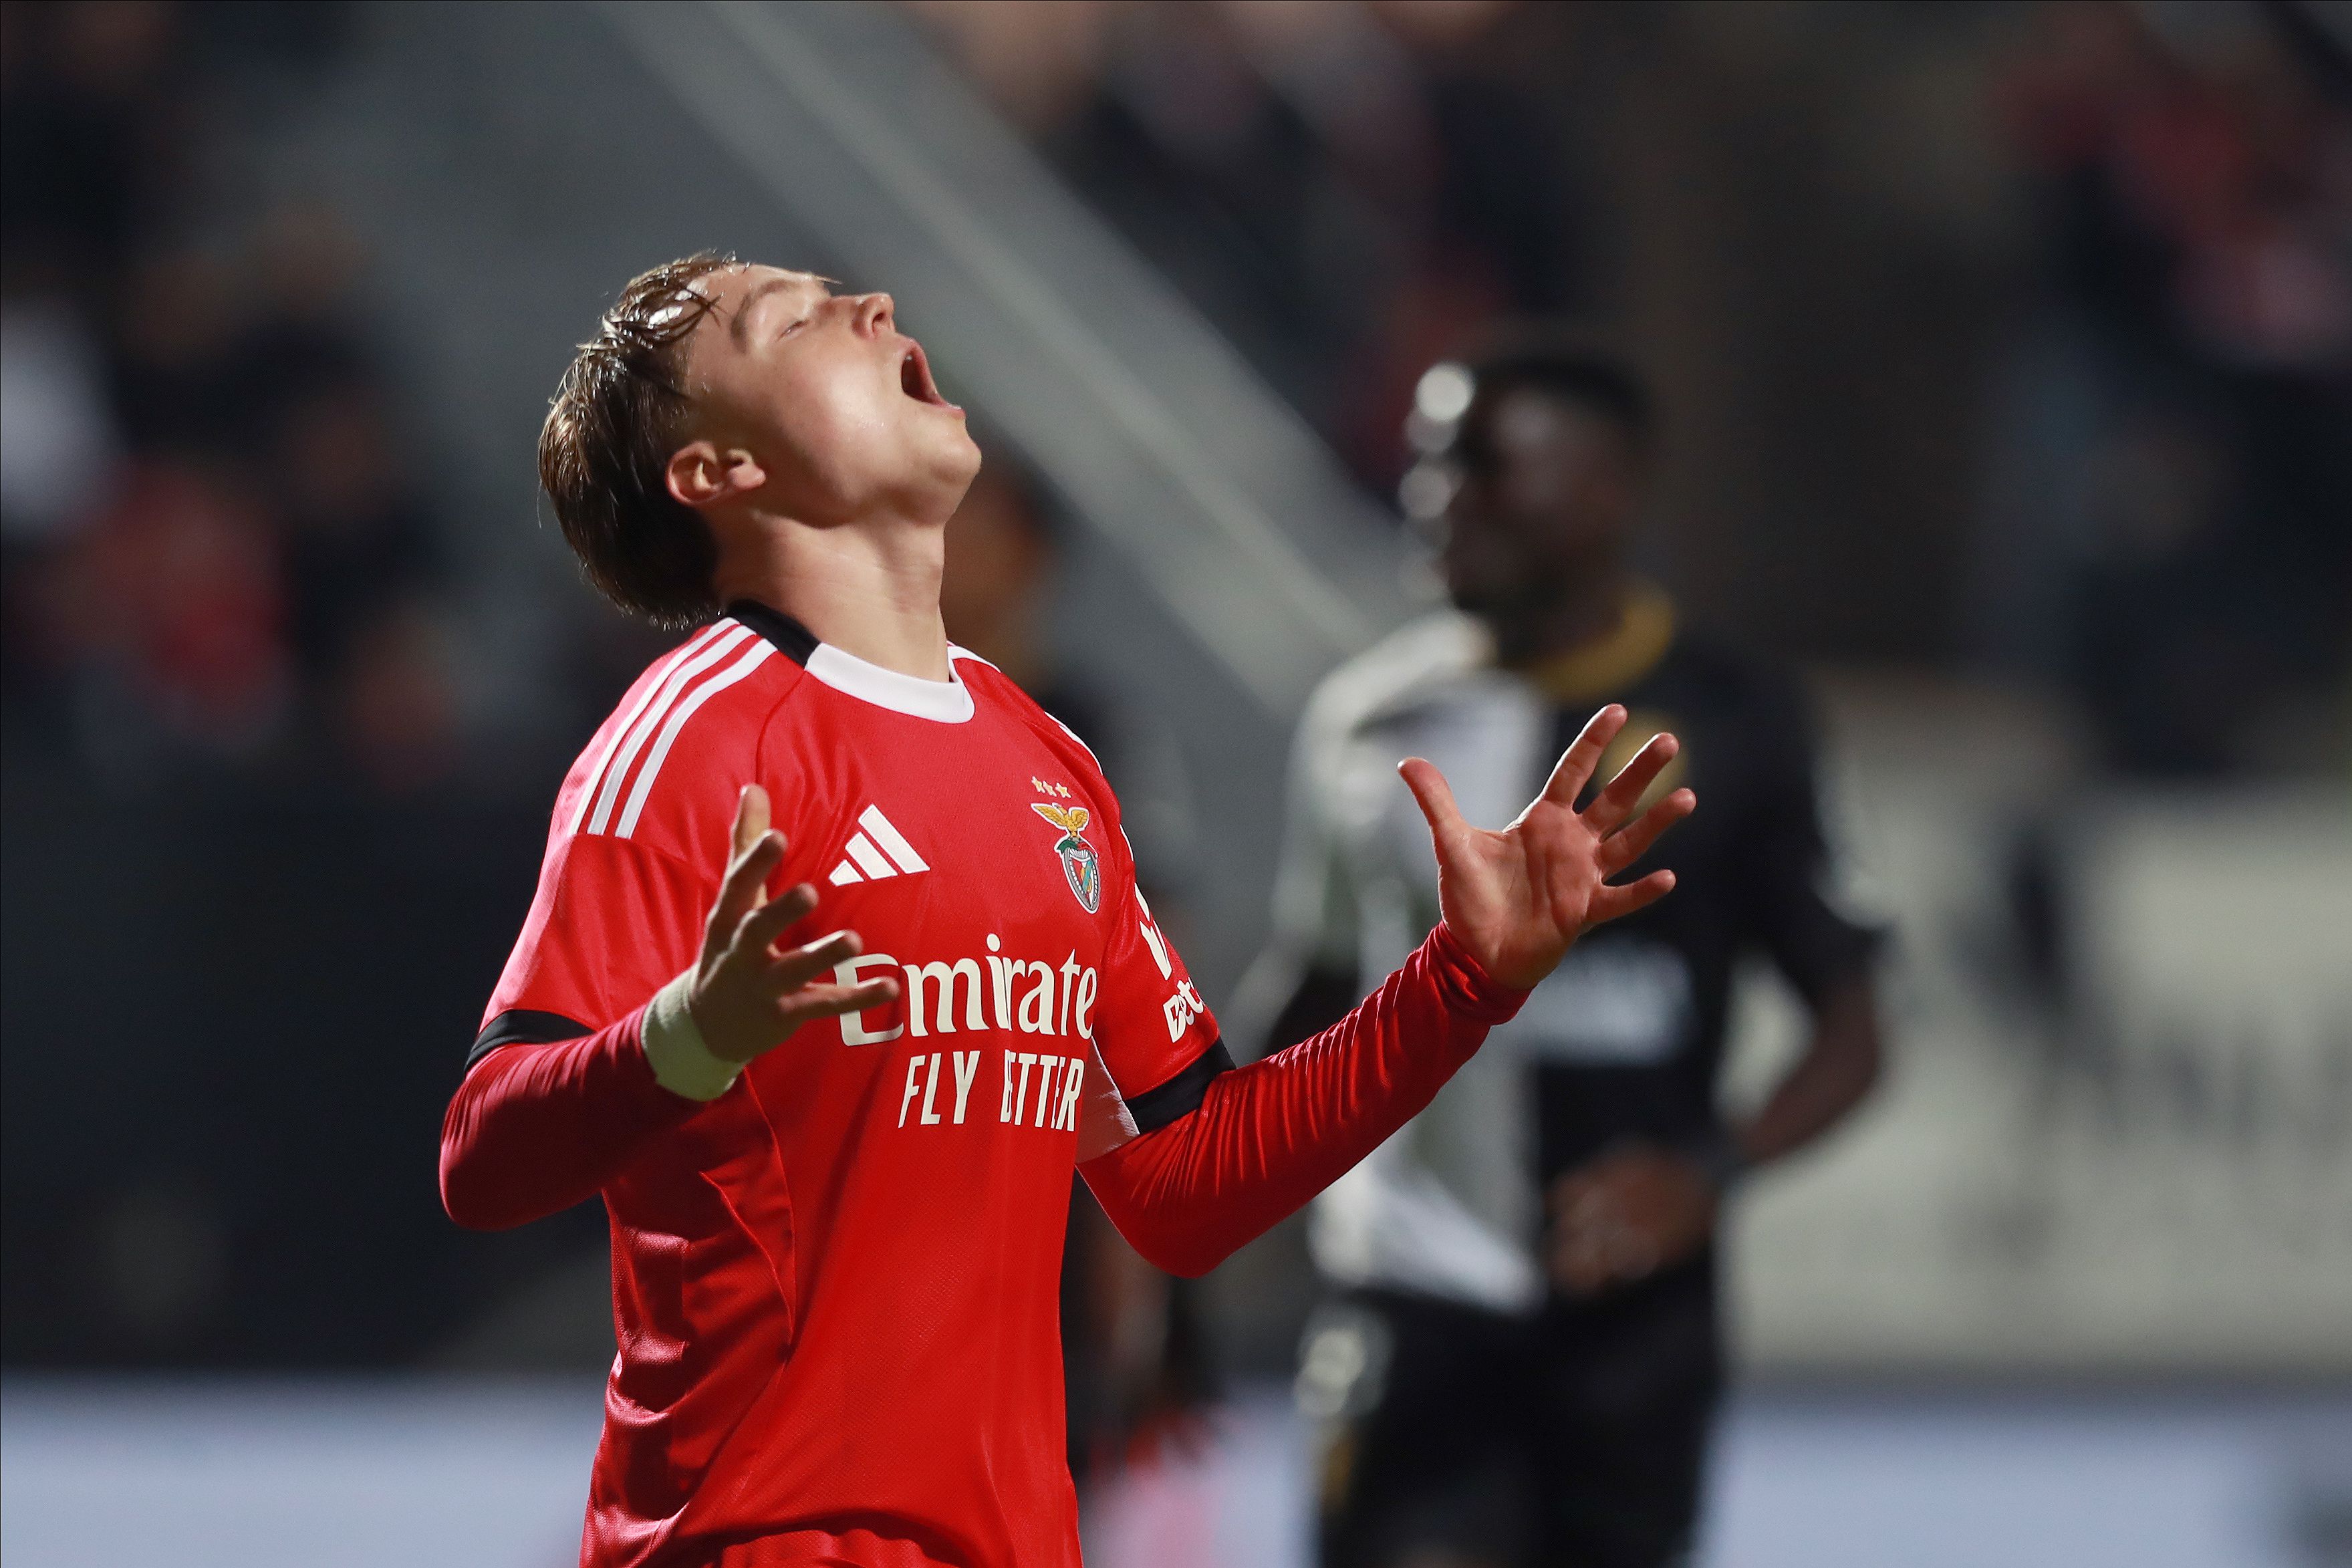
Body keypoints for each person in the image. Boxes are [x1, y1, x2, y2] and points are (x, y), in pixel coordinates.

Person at [435, 255, 1699, 1568]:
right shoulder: (697, 738)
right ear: (721, 472)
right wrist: (692, 1033)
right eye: (791, 320)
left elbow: (1184, 1181)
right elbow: (483, 1151)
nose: (871, 307)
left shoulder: (1045, 759)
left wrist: (1461, 982)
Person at [1263, 338, 1883, 1568]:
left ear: (1606, 491)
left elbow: (1854, 1027)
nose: (1436, 498)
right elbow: (1314, 989)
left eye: (1482, 465)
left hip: (1631, 1327)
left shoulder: (1738, 715)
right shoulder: (1368, 720)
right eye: (1427, 463)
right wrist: (1172, 1216)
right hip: (1411, 1299)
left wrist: (1705, 1173)